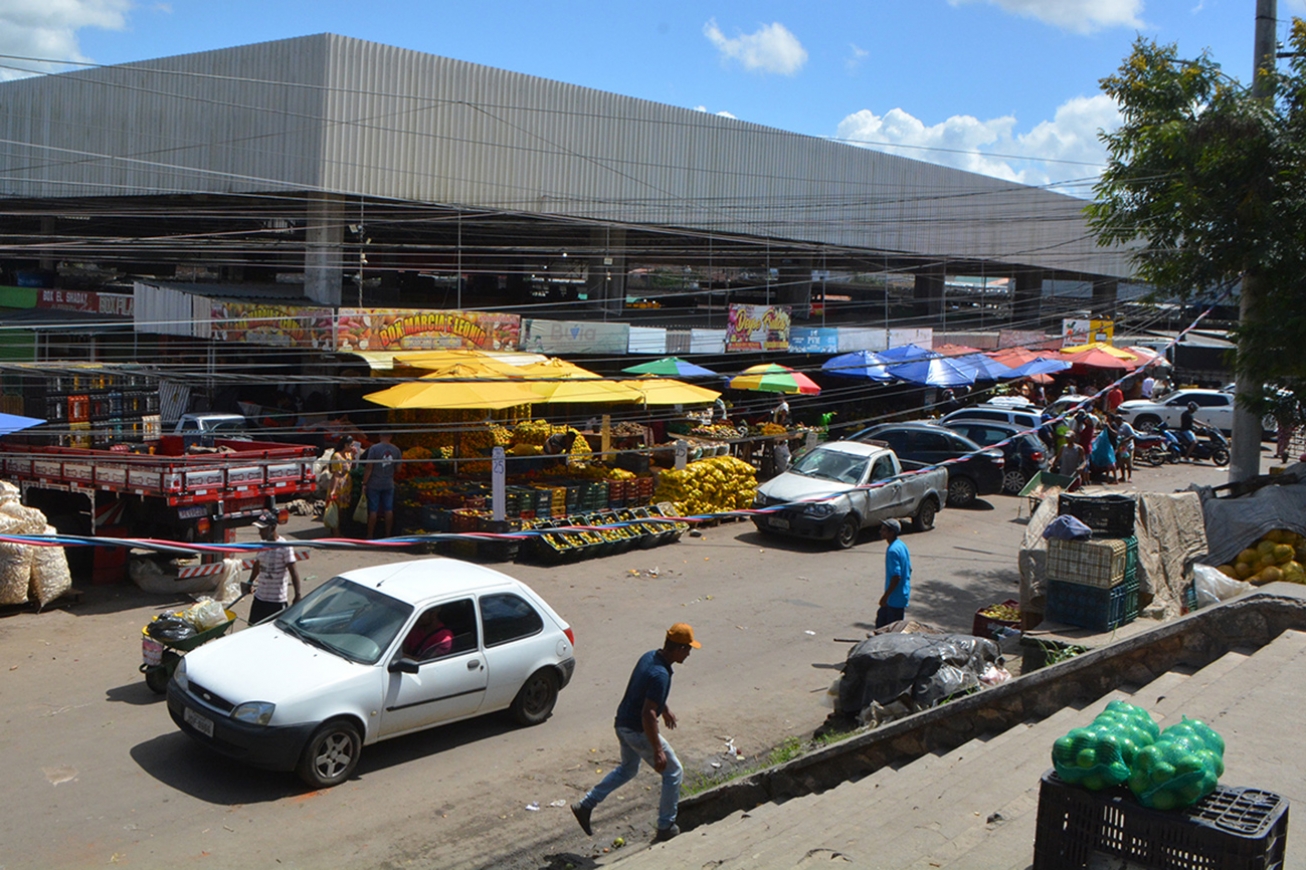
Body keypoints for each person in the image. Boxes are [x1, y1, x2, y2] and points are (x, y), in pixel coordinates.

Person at [572, 623, 700, 843]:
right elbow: (648, 715)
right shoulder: (660, 673)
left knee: (627, 769)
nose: (689, 653)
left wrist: (665, 708)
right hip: (637, 730)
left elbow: (646, 692)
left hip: (622, 724)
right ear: (677, 648)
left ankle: (586, 805)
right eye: (687, 649)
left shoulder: (650, 657)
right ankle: (665, 826)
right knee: (673, 772)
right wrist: (657, 750)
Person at [245, 510, 302, 624]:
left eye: (263, 529)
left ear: (273, 527)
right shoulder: (262, 544)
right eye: (259, 529)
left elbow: (293, 571)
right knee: (252, 629)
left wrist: (297, 595)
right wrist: (250, 581)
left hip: (276, 601)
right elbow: (257, 564)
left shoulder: (284, 546)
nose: (260, 532)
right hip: (260, 598)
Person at [361, 432, 402, 538]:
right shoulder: (396, 450)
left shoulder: (374, 448)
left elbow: (369, 467)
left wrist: (364, 483)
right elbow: (398, 469)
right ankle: (388, 535)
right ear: (391, 436)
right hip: (388, 483)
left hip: (374, 483)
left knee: (373, 510)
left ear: (380, 436)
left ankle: (370, 535)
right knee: (388, 509)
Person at [876, 519, 911, 628]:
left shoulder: (892, 551)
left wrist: (885, 597)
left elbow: (896, 576)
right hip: (900, 596)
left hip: (894, 600)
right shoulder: (901, 545)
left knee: (889, 631)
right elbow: (909, 568)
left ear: (891, 533)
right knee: (881, 623)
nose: (880, 532)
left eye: (884, 530)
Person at [323, 436, 356, 536]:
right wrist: (333, 490)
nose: (352, 447)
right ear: (345, 445)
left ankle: (339, 530)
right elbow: (336, 475)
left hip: (346, 485)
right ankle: (336, 532)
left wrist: (354, 456)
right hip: (338, 486)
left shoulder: (348, 455)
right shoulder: (336, 457)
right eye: (351, 445)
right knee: (336, 509)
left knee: (342, 510)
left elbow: (352, 467)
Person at [1114, 415, 1137, 482]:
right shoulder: (1117, 427)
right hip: (1121, 447)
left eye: (1118, 420)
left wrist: (1125, 440)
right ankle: (1123, 476)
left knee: (1128, 462)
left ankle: (1129, 477)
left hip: (1128, 447)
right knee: (1121, 462)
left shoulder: (1126, 426)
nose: (1117, 422)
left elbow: (1133, 435)